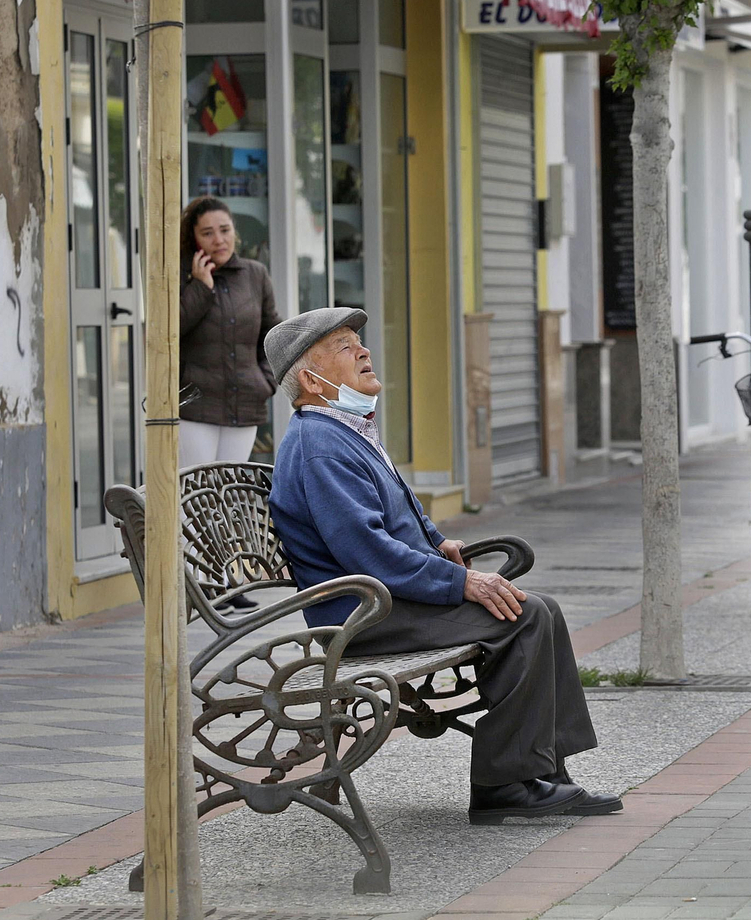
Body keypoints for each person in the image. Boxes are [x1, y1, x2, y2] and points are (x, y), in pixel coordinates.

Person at [264, 309, 619, 824]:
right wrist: (461, 581)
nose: (364, 352)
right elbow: (367, 551)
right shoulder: (321, 445)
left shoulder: (343, 429)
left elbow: (398, 512)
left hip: (386, 599)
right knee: (526, 617)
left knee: (541, 610)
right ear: (308, 377)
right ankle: (506, 784)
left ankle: (545, 771)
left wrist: (438, 544)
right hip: (364, 614)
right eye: (344, 346)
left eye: (359, 342)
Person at [179, 197, 281, 468]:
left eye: (224, 230)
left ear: (234, 231)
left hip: (246, 404)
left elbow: (273, 334)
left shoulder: (256, 274)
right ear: (195, 238)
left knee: (231, 491)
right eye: (207, 233)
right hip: (196, 407)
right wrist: (200, 287)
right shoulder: (181, 276)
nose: (218, 240)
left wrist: (266, 381)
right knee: (196, 492)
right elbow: (171, 332)